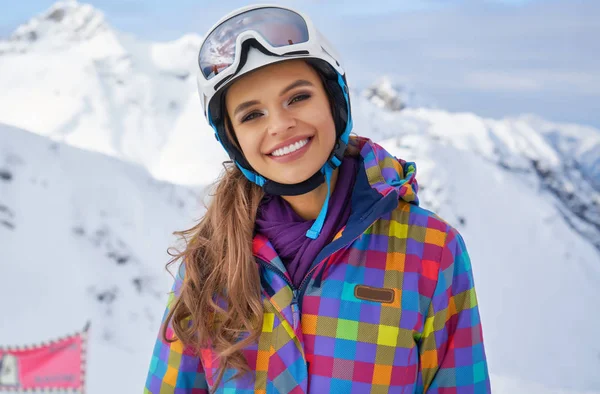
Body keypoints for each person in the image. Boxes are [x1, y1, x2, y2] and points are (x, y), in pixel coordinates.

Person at [144, 4, 490, 393]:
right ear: (233, 140)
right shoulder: (210, 262)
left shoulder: (430, 251)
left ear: (334, 100)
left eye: (297, 98)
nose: (279, 125)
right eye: (252, 115)